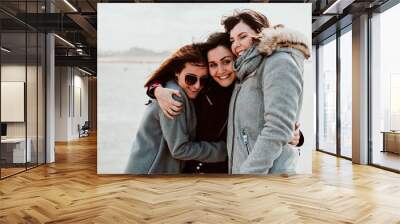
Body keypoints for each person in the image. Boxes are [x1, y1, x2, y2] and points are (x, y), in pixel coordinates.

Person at [147, 31, 304, 174]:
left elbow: (276, 119)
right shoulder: (201, 88)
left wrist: (297, 136)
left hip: (236, 169)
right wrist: (156, 90)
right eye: (213, 65)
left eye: (226, 61)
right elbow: (173, 75)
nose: (220, 70)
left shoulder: (249, 89)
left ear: (237, 59)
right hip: (199, 172)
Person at [222, 9, 310, 174]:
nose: (236, 45)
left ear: (261, 33)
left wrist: (248, 174)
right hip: (247, 174)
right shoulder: (247, 71)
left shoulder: (279, 62)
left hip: (265, 176)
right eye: (232, 40)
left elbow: (279, 127)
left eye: (242, 36)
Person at [125, 44, 227, 174]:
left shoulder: (170, 88)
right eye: (191, 79)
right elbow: (179, 149)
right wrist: (223, 150)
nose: (197, 86)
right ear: (177, 73)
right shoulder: (174, 97)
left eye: (203, 80)